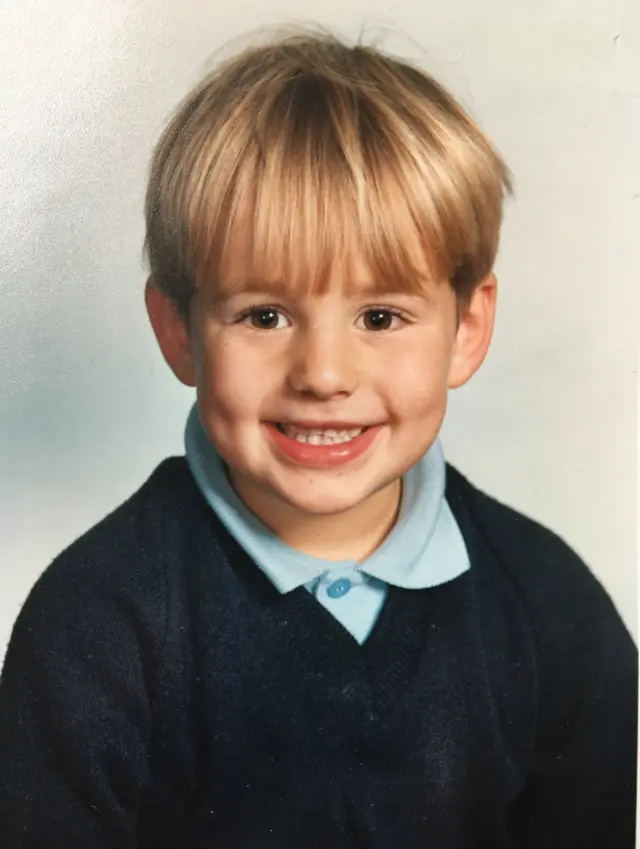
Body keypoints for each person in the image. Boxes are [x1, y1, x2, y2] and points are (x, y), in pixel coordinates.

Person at [0, 28, 636, 849]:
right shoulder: (97, 628)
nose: (324, 373)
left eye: (381, 316)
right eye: (264, 315)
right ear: (181, 331)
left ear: (468, 328)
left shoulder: (554, 613)